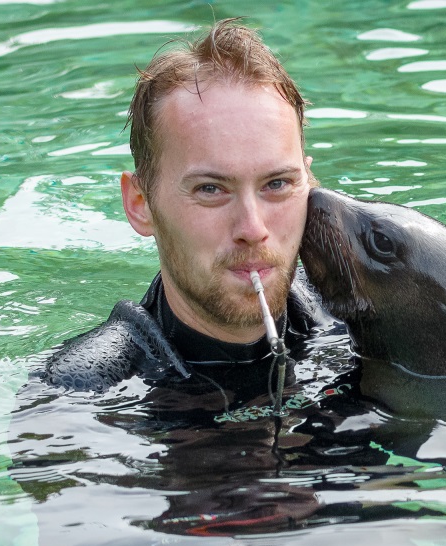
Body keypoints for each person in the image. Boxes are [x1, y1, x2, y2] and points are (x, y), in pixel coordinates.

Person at [35, 19, 343, 394]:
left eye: (277, 184)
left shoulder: (361, 315)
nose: (252, 228)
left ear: (309, 185)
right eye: (211, 189)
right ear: (140, 204)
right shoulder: (82, 392)